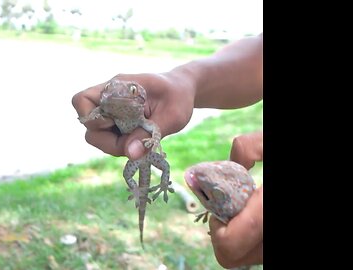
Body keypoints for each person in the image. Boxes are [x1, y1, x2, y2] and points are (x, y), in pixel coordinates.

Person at [72, 33, 263, 268]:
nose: (120, 94)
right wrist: (186, 80)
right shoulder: (108, 107)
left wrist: (155, 143)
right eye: (112, 91)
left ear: (140, 99)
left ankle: (162, 185)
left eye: (131, 91)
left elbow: (152, 128)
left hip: (150, 157)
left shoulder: (146, 122)